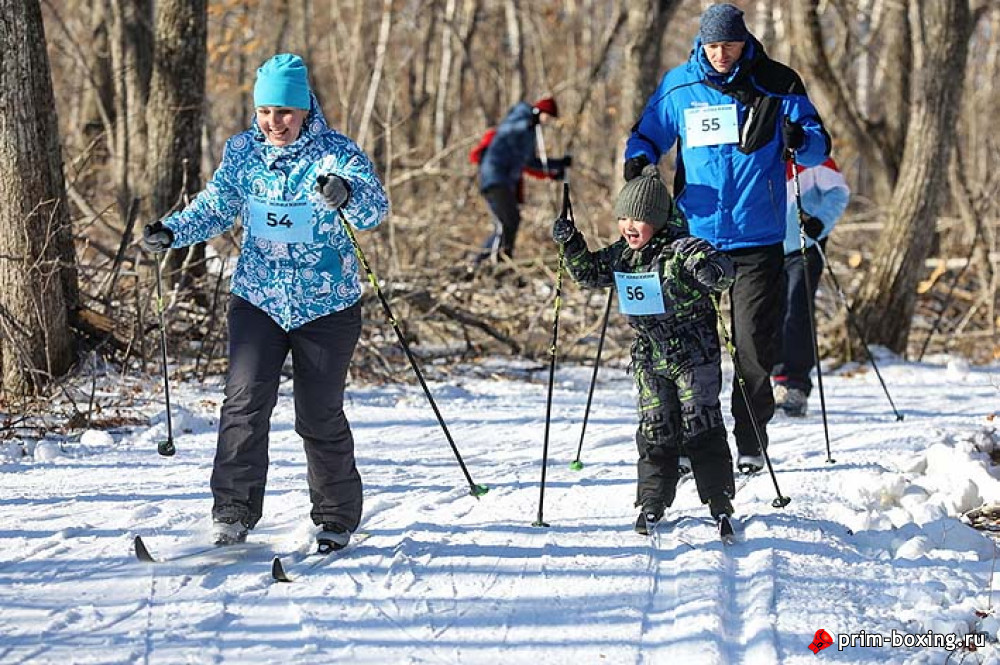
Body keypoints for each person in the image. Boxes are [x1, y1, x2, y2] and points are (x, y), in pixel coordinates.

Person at [141, 53, 389, 551]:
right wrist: (172, 230)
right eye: (266, 112)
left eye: (285, 112)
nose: (275, 123)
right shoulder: (242, 153)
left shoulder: (334, 154)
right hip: (259, 300)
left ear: (304, 110)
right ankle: (233, 510)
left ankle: (336, 517)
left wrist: (346, 193)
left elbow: (373, 208)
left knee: (318, 414)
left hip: (327, 308)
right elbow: (217, 205)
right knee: (244, 403)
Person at [622, 3, 831, 473]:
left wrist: (797, 137)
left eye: (730, 45)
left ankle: (752, 440)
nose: (721, 54)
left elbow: (819, 144)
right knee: (684, 350)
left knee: (754, 349)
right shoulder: (680, 85)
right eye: (713, 45)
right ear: (702, 43)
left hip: (757, 238)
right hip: (692, 240)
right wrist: (638, 161)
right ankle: (684, 445)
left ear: (744, 41)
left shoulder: (778, 82)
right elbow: (646, 134)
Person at [552, 164, 737, 535]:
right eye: (623, 218)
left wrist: (712, 273)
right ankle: (652, 500)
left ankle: (718, 499)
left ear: (657, 219)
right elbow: (589, 273)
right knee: (656, 428)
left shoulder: (681, 249)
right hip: (649, 357)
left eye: (638, 219)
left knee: (701, 423)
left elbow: (720, 266)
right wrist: (571, 243)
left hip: (692, 356)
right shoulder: (623, 255)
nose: (628, 227)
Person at [773, 157, 850, 417]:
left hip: (805, 246)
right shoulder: (757, 152)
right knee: (769, 313)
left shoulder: (810, 155)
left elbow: (839, 193)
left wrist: (820, 221)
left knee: (797, 310)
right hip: (765, 247)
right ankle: (776, 378)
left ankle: (796, 384)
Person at [472, 97, 572, 270]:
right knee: (506, 222)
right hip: (495, 177)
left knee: (511, 221)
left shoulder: (530, 132)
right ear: (539, 111)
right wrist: (528, 122)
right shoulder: (521, 117)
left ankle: (497, 261)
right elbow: (507, 131)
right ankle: (487, 262)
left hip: (505, 181)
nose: (548, 121)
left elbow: (529, 162)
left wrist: (557, 166)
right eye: (547, 116)